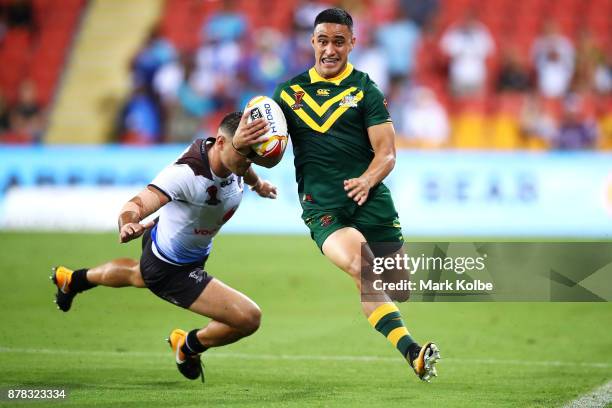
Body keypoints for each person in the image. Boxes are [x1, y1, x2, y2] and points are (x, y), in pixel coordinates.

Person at [272, 8, 440, 381]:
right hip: (324, 209)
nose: (329, 49)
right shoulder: (288, 94)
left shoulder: (365, 89)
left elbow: (388, 153)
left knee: (398, 287)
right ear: (312, 42)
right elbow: (270, 154)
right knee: (360, 267)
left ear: (352, 43)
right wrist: (248, 149)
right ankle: (411, 351)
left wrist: (366, 179)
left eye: (338, 41)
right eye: (323, 41)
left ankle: (396, 320)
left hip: (371, 201)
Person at [51, 111, 277, 382]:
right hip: (173, 269)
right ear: (220, 142)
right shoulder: (185, 174)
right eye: (245, 154)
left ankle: (72, 279)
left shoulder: (232, 157)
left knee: (138, 274)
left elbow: (242, 166)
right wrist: (128, 222)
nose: (249, 161)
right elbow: (135, 205)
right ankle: (189, 345)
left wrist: (258, 184)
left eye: (253, 155)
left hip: (170, 239)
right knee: (248, 318)